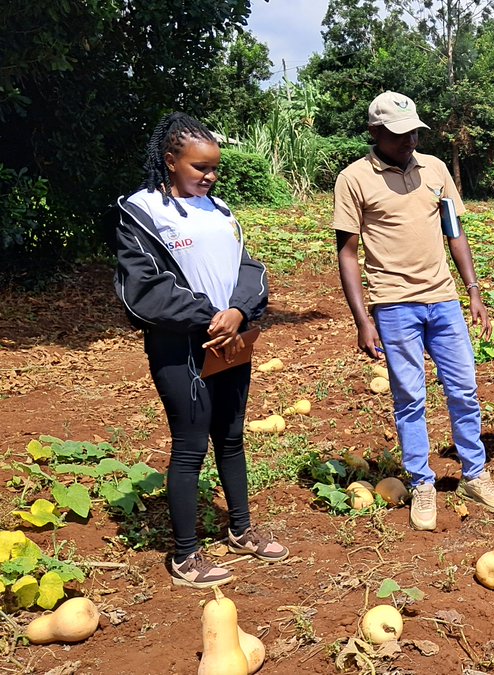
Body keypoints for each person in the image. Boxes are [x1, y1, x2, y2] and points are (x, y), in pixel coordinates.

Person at [114, 112, 288, 588]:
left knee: (231, 436)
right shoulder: (142, 212)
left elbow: (249, 267)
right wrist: (209, 316)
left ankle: (242, 528)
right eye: (199, 168)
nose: (209, 177)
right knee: (190, 447)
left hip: (231, 340)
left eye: (214, 169)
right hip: (181, 348)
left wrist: (239, 311)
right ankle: (185, 556)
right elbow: (143, 290)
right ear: (170, 161)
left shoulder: (221, 211)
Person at [333, 92, 494, 531]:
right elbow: (348, 254)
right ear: (375, 133)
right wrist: (363, 319)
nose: (409, 140)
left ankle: (474, 474)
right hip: (393, 305)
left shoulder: (435, 170)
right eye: (398, 134)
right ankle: (422, 483)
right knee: (410, 397)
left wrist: (473, 289)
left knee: (464, 388)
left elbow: (454, 232)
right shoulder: (354, 179)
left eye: (413, 131)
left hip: (444, 299)